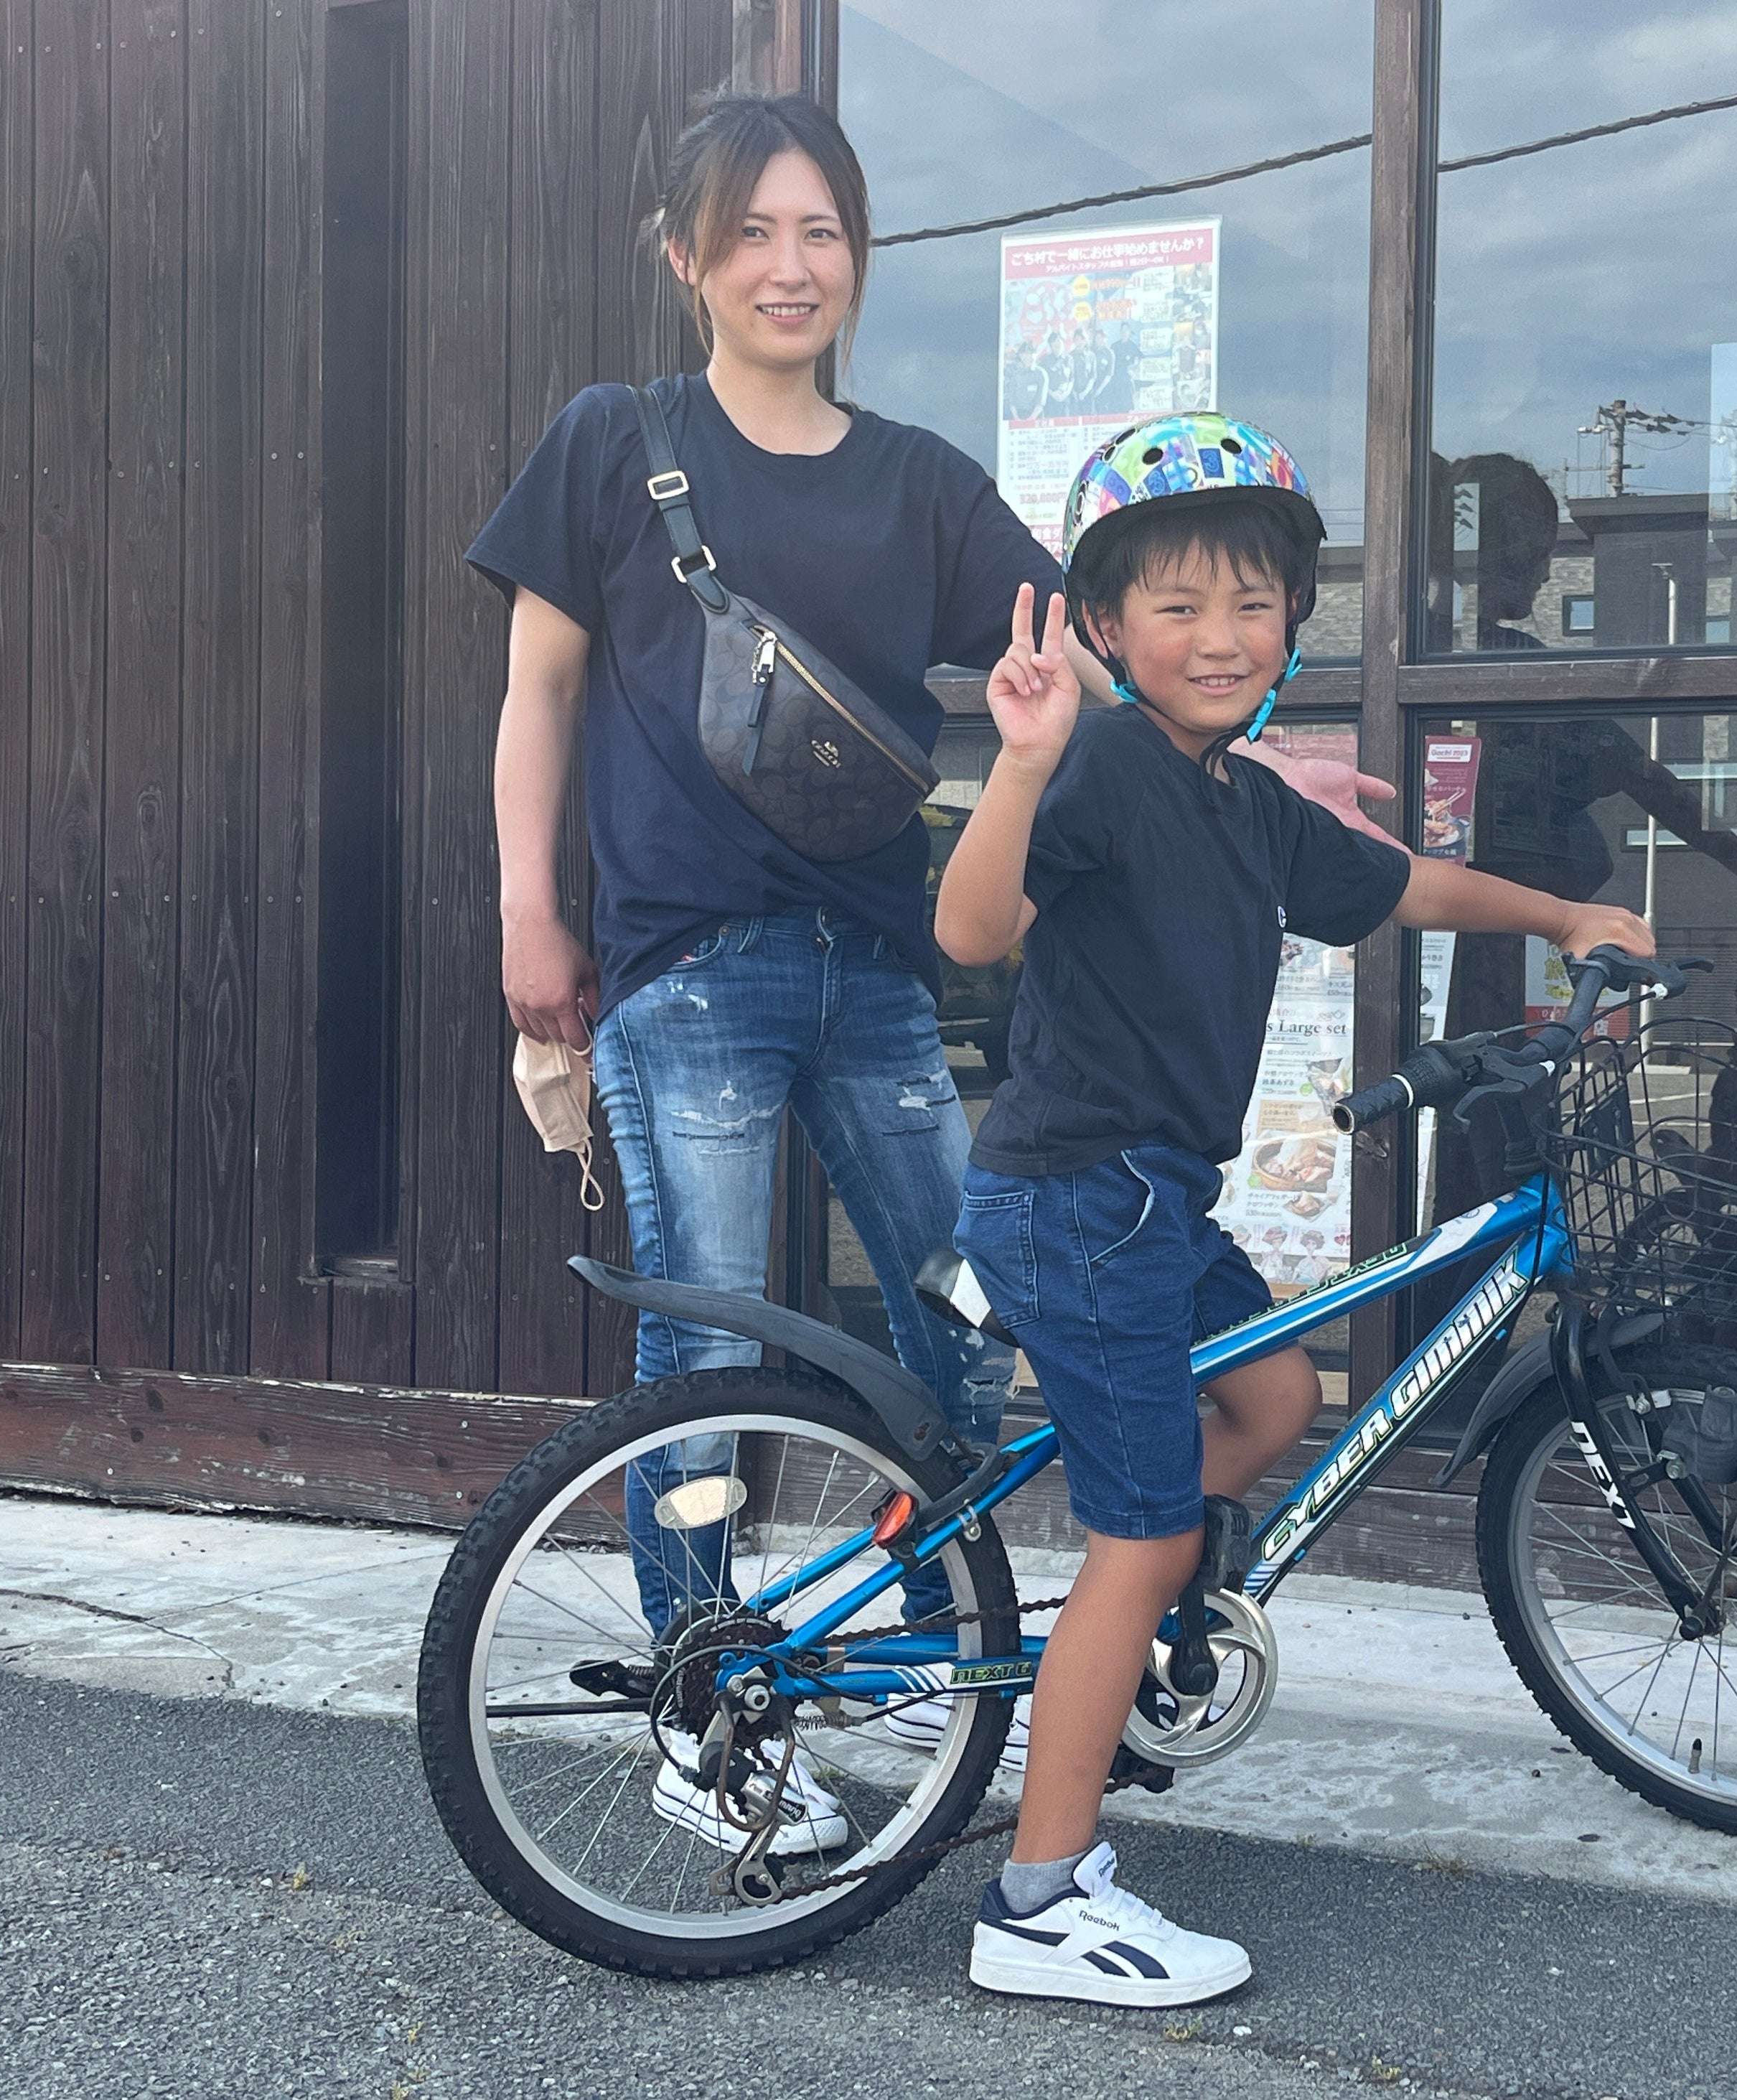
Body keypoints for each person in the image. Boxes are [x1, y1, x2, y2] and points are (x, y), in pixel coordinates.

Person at [470, 96, 1393, 1864]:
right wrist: (530, 912)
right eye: (752, 233)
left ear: (860, 260)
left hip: (884, 964)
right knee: (706, 1332)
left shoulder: (920, 482)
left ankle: (915, 1655)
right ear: (689, 259)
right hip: (684, 963)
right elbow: (541, 694)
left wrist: (1275, 772)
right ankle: (704, 1704)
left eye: (821, 232)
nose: (789, 264)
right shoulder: (617, 442)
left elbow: (1117, 676)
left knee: (961, 1319)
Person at [938, 413, 1656, 2005]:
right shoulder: (1108, 764)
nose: (1220, 634)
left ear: (1288, 625)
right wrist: (1026, 756)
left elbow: (1396, 881)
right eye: (1177, 605)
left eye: (1253, 602)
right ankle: (1040, 1899)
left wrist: (1563, 915)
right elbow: (976, 924)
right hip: (1076, 1198)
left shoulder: (1239, 799)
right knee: (1149, 1527)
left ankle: (1080, 1643)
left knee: (1268, 1396)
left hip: (1145, 1201)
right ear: (1108, 629)